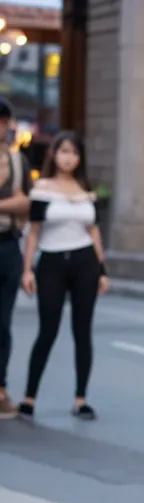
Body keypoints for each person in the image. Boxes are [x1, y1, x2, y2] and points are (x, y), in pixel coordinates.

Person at [18, 130, 109, 420]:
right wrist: (27, 269)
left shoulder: (85, 190)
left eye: (74, 152)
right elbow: (33, 232)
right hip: (52, 263)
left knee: (82, 331)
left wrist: (102, 270)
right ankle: (29, 397)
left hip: (85, 262)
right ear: (54, 155)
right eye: (63, 151)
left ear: (79, 158)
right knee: (48, 330)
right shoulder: (42, 188)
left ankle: (81, 399)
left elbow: (93, 231)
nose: (68, 157)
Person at [0, 97, 31, 419]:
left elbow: (28, 204)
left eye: (3, 120)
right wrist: (13, 203)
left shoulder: (18, 161)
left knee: (3, 323)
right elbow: (18, 202)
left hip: (8, 245)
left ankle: (1, 388)